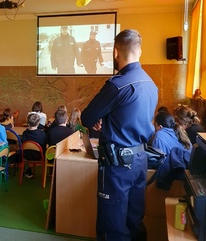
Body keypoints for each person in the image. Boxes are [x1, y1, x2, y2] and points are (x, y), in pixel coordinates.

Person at [81, 29, 158, 241]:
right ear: (139, 51)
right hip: (140, 160)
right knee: (134, 219)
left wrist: (101, 118)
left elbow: (87, 118)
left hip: (117, 165)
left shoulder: (117, 85)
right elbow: (130, 116)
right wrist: (106, 117)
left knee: (112, 225)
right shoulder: (151, 84)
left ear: (115, 52)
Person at [21, 113, 47, 178]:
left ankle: (27, 170)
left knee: (25, 150)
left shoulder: (25, 133)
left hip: (26, 156)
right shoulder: (42, 134)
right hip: (39, 156)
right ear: (38, 123)